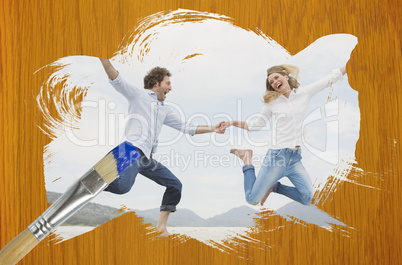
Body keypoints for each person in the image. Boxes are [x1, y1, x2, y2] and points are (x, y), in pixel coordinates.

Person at [99, 58, 225, 237]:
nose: (170, 88)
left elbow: (187, 127)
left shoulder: (164, 110)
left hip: (145, 158)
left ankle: (161, 227)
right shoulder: (138, 95)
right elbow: (116, 79)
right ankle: (91, 179)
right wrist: (103, 58)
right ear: (156, 83)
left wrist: (212, 128)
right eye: (168, 83)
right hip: (130, 150)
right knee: (122, 188)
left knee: (175, 185)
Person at [225, 64, 347, 206]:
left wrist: (350, 65)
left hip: (295, 159)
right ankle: (246, 158)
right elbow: (256, 125)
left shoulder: (304, 93)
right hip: (276, 158)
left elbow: (329, 80)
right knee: (252, 199)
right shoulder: (272, 103)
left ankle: (275, 187)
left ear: (286, 77)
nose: (275, 82)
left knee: (307, 199)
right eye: (271, 82)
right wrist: (233, 122)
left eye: (276, 78)